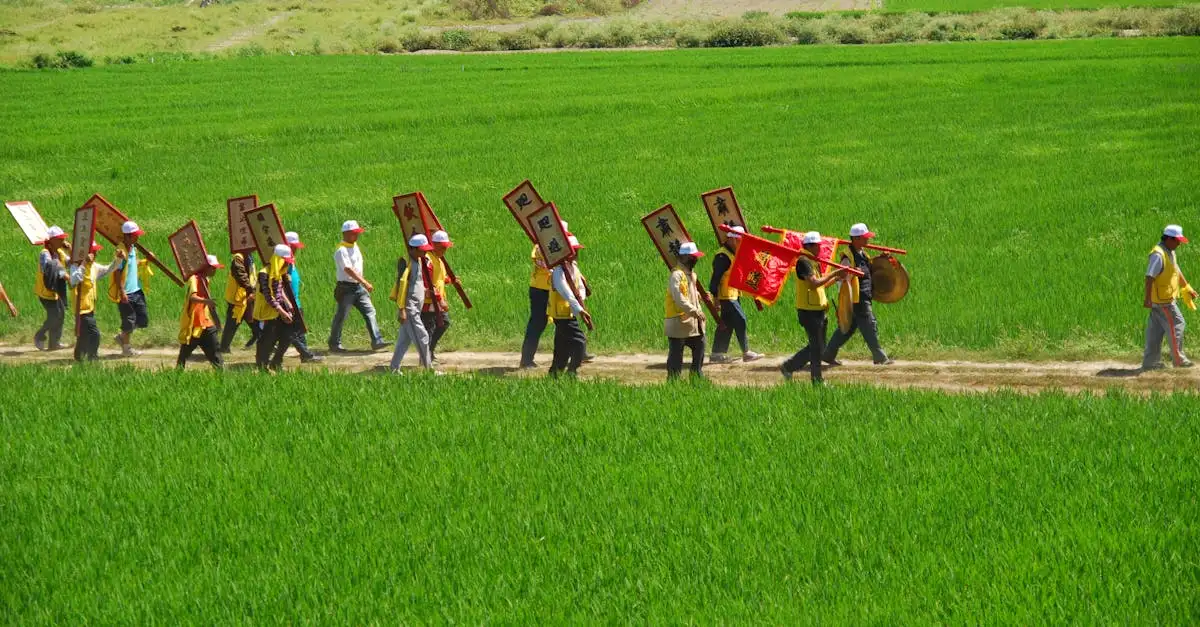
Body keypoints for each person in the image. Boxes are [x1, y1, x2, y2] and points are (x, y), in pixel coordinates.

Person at [823, 222, 893, 366]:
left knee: (846, 329)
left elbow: (871, 269)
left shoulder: (863, 255)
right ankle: (879, 356)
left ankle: (828, 354)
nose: (868, 240)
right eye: (864, 237)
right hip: (857, 298)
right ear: (856, 239)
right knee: (869, 324)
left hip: (865, 295)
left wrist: (882, 258)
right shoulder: (847, 257)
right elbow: (841, 278)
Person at [781, 232, 846, 384]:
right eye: (818, 246)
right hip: (809, 312)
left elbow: (820, 286)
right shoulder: (803, 262)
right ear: (810, 246)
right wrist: (835, 273)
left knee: (818, 346)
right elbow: (814, 283)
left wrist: (836, 278)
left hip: (818, 309)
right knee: (816, 348)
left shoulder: (812, 261)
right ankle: (817, 380)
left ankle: (788, 366)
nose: (820, 249)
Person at [328, 220, 387, 353]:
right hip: (346, 288)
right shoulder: (341, 250)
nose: (357, 235)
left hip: (357, 287)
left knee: (370, 311)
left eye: (357, 233)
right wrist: (365, 282)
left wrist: (361, 283)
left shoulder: (355, 246)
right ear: (346, 233)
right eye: (354, 233)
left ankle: (377, 340)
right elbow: (348, 269)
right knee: (342, 316)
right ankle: (334, 343)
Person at [1143, 224, 1196, 370]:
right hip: (1163, 302)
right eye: (1177, 240)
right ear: (1168, 239)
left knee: (1156, 330)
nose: (1179, 243)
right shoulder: (1158, 255)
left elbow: (1175, 270)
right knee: (1177, 324)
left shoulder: (1170, 252)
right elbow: (1149, 277)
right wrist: (1147, 299)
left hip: (1162, 299)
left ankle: (1150, 363)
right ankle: (1179, 360)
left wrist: (1186, 287)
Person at [708, 226, 762, 364]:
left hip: (733, 295)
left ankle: (717, 353)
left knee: (727, 324)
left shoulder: (733, 253)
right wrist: (715, 300)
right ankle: (746, 352)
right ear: (731, 239)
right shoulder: (722, 256)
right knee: (740, 319)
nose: (741, 242)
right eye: (739, 239)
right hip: (726, 297)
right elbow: (715, 280)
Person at [519, 221, 564, 369]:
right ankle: (526, 359)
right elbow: (543, 263)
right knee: (538, 323)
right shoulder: (540, 246)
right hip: (540, 289)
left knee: (566, 319)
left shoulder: (560, 245)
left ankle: (578, 351)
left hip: (556, 287)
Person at [548, 235, 593, 378]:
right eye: (573, 251)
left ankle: (555, 373)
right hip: (561, 314)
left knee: (563, 346)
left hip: (569, 312)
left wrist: (582, 301)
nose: (576, 254)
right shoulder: (558, 272)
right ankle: (571, 372)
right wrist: (580, 310)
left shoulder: (573, 268)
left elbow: (579, 288)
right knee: (580, 341)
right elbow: (566, 293)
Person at [390, 234, 435, 374]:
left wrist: (424, 292)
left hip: (415, 308)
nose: (425, 252)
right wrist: (402, 309)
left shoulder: (418, 262)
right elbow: (402, 287)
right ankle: (429, 370)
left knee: (403, 341)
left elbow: (416, 285)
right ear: (413, 250)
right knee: (423, 337)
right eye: (422, 250)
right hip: (410, 310)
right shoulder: (409, 265)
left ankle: (393, 369)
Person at [68, 240, 118, 362]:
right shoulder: (76, 266)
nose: (95, 255)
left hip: (90, 307)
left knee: (84, 334)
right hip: (81, 309)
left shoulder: (94, 267)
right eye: (93, 252)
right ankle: (93, 357)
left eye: (96, 252)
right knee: (94, 334)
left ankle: (78, 356)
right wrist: (84, 263)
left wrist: (118, 260)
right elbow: (74, 280)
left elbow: (107, 270)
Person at [109, 220, 152, 357]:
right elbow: (117, 273)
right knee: (129, 320)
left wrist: (146, 261)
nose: (137, 237)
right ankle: (126, 348)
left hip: (136, 290)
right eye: (134, 235)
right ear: (127, 236)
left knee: (142, 319)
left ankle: (122, 337)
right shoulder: (120, 252)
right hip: (126, 292)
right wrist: (122, 292)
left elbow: (133, 264)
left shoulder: (133, 249)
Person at [665, 241, 707, 379]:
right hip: (679, 323)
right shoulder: (676, 275)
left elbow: (689, 294)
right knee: (676, 358)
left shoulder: (691, 275)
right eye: (692, 257)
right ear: (684, 257)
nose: (695, 259)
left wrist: (700, 296)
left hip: (694, 324)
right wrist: (695, 311)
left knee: (700, 346)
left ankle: (697, 378)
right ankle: (673, 383)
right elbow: (679, 299)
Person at [254, 244, 298, 371]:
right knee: (267, 341)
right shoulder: (264, 274)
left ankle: (276, 362)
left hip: (277, 312)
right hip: (266, 314)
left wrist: (288, 304)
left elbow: (279, 290)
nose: (287, 265)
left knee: (288, 336)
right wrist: (284, 313)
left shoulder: (277, 273)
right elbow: (269, 298)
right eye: (285, 262)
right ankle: (262, 367)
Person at [177, 255, 224, 370]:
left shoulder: (205, 280)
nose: (214, 271)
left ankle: (220, 373)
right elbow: (193, 297)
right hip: (195, 323)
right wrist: (207, 301)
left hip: (206, 321)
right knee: (185, 352)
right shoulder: (195, 278)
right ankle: (177, 372)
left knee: (215, 350)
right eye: (213, 268)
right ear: (205, 267)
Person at [284, 231, 322, 363]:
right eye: (293, 247)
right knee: (292, 332)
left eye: (295, 247)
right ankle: (306, 354)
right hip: (289, 303)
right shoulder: (283, 262)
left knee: (298, 330)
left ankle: (305, 354)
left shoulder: (291, 260)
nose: (295, 250)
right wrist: (289, 303)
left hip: (295, 301)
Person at [33, 225, 70, 351]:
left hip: (56, 291)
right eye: (59, 239)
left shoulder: (59, 252)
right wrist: (63, 274)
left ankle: (54, 342)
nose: (62, 241)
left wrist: (70, 250)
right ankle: (39, 336)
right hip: (45, 291)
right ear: (52, 240)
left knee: (61, 314)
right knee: (55, 316)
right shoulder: (45, 254)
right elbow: (49, 269)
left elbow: (70, 262)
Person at [219, 247, 259, 352]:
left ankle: (264, 343)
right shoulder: (238, 258)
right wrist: (251, 291)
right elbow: (241, 277)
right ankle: (224, 348)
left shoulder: (249, 257)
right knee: (232, 324)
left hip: (248, 297)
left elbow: (252, 276)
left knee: (256, 321)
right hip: (238, 299)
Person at [423, 230, 453, 364]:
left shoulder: (439, 260)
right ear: (434, 245)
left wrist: (450, 280)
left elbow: (439, 279)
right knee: (429, 329)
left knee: (443, 324)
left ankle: (430, 352)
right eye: (442, 247)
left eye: (445, 247)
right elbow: (429, 284)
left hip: (437, 301)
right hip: (429, 302)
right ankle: (425, 358)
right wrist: (441, 301)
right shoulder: (428, 260)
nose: (444, 250)